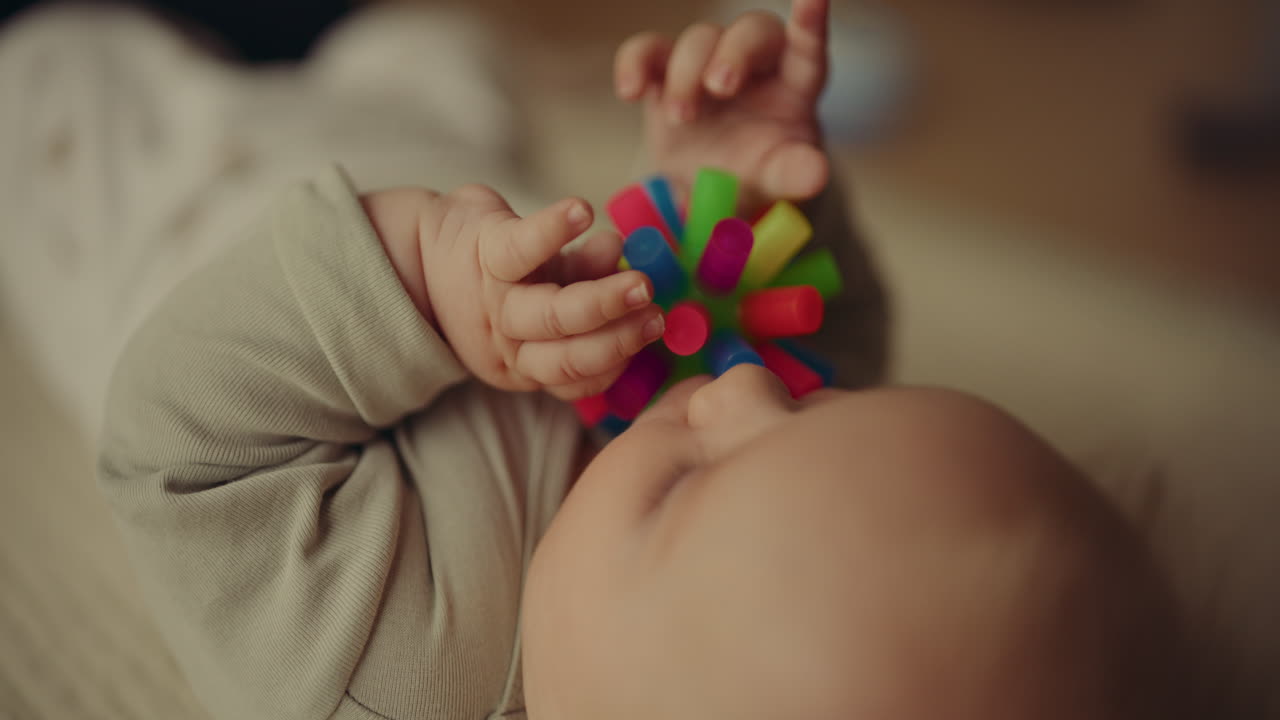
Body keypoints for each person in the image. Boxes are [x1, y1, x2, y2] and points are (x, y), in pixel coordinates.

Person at [84, 1, 1178, 718]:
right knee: (440, 42)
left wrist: (421, 279)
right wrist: (744, 195)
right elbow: (829, 346)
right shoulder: (751, 567)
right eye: (814, 420)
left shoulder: (397, 677)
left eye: (685, 490)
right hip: (444, 130)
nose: (743, 389)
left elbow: (179, 451)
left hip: (169, 187)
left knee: (59, 63)